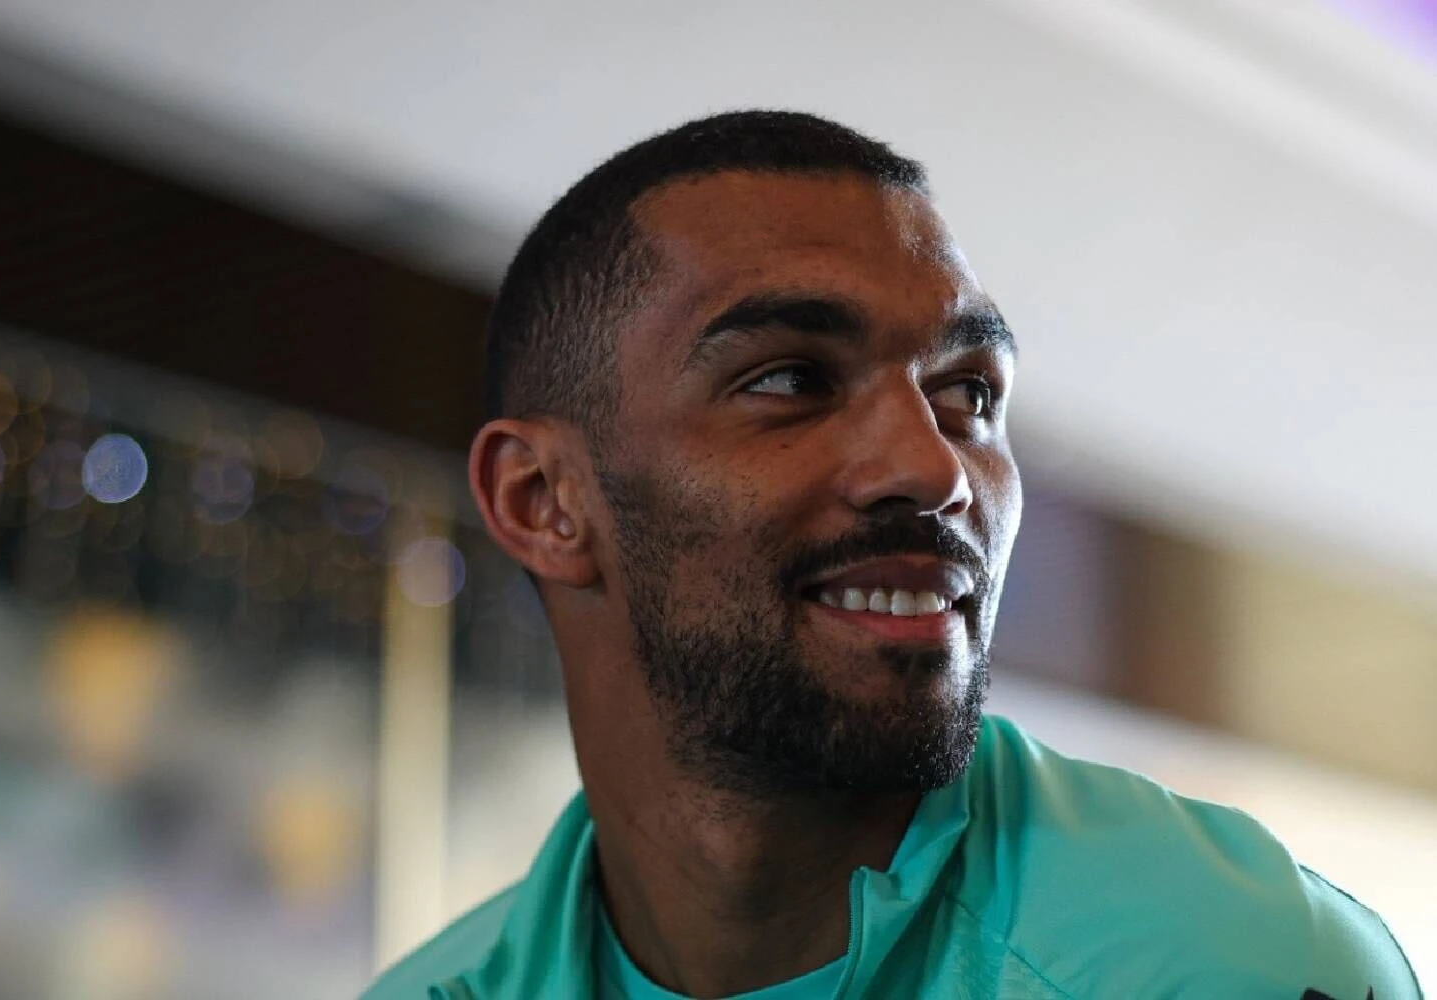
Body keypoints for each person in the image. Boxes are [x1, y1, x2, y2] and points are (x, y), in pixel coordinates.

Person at [363, 111, 1421, 1000]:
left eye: (967, 393)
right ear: (544, 502)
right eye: (790, 380)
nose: (934, 466)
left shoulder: (1222, 965)